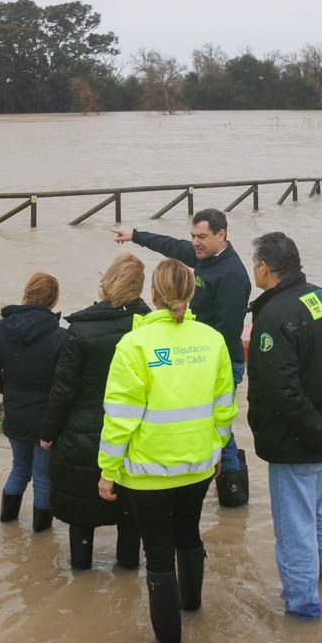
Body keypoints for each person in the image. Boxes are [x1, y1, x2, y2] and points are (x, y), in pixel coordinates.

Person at [97, 259, 237, 643]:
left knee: (157, 555)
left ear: (153, 294)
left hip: (145, 473)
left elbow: (120, 416)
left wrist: (107, 470)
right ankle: (192, 606)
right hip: (196, 466)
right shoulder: (212, 340)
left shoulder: (134, 344)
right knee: (189, 536)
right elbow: (225, 406)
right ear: (191, 293)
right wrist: (216, 451)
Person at [243, 231, 322, 619]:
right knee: (315, 511)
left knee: (295, 527)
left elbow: (282, 391)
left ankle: (302, 606)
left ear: (264, 267)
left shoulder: (273, 316)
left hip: (296, 441)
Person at [111, 209, 252, 508]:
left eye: (201, 237)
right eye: (193, 236)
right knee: (208, 420)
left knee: (218, 421)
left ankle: (234, 493)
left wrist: (198, 354)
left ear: (221, 234)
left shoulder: (233, 275)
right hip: (199, 350)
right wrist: (136, 236)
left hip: (220, 358)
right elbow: (173, 247)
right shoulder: (204, 256)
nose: (195, 243)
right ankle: (215, 481)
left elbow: (228, 331)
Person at [38, 254, 150, 570]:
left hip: (82, 434)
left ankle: (81, 581)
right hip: (135, 433)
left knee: (81, 513)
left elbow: (63, 390)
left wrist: (48, 432)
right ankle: (128, 574)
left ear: (107, 283)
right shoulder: (149, 329)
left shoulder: (80, 331)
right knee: (131, 515)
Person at [0, 272, 64, 531]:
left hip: (15, 412)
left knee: (19, 469)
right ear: (54, 300)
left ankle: (7, 524)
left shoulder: (1, 328)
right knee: (43, 478)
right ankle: (41, 539)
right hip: (46, 419)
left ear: (26, 293)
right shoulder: (59, 336)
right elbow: (64, 384)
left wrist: (9, 390)